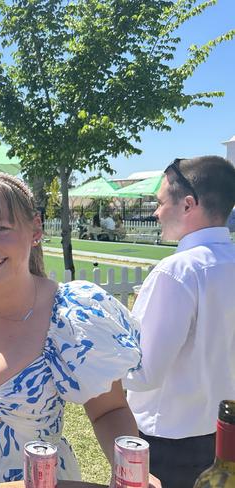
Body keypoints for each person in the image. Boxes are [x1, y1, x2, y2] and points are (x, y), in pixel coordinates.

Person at [0, 172, 144, 487]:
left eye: (1, 228)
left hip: (41, 479)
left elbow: (109, 411)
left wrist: (129, 473)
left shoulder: (71, 315)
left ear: (35, 229)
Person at [124, 156, 235, 487]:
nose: (155, 213)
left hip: (170, 447)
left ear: (188, 204)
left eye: (159, 203)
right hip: (222, 437)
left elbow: (144, 374)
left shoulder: (177, 272)